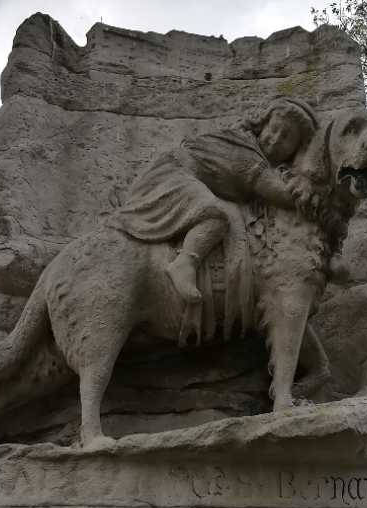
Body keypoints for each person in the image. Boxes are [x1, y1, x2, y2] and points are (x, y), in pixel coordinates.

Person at [111, 97, 319, 343]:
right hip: (172, 177)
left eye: (286, 139)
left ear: (295, 150)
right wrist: (316, 192)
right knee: (215, 215)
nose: (275, 140)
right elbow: (278, 193)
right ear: (262, 124)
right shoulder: (244, 150)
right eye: (273, 130)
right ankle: (184, 263)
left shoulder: (258, 158)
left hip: (183, 180)